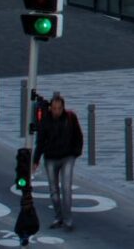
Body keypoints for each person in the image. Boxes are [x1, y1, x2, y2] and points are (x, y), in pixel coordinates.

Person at [35, 93, 85, 229]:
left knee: (66, 188)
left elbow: (78, 135)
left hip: (67, 156)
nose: (57, 111)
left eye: (59, 108)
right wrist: (36, 160)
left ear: (63, 108)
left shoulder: (70, 118)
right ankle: (58, 217)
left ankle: (68, 220)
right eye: (54, 108)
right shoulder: (45, 120)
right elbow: (40, 142)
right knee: (53, 190)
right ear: (51, 107)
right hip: (51, 157)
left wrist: (76, 152)